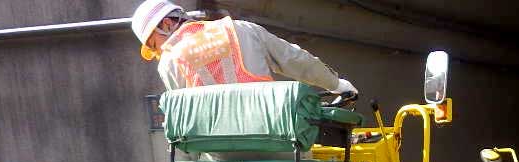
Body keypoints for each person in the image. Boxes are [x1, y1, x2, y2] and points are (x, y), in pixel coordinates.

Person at [130, 1, 356, 98]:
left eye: (153, 45)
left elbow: (185, 120)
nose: (158, 52)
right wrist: (336, 85)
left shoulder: (170, 62)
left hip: (220, 161)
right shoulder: (241, 29)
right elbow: (295, 60)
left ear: (167, 24)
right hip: (275, 143)